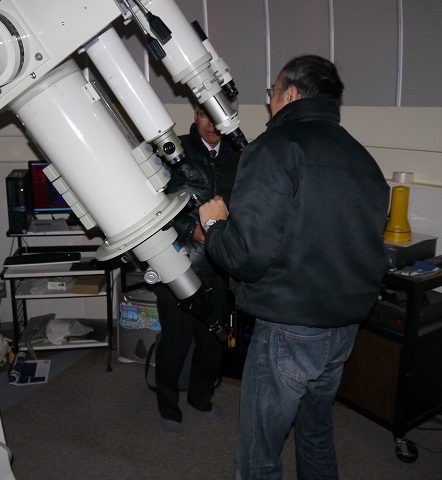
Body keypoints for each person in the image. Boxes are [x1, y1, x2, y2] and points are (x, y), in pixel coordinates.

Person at [199, 55, 390, 479]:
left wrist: (214, 225)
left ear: (289, 93)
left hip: (290, 329)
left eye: (272, 92)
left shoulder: (273, 149)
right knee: (316, 434)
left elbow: (246, 258)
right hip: (343, 328)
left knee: (260, 452)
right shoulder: (363, 159)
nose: (269, 101)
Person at [154, 104, 241, 436]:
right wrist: (194, 231)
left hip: (220, 265)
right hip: (179, 262)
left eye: (217, 117)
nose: (212, 124)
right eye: (205, 115)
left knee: (211, 342)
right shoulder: (175, 151)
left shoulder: (239, 155)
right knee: (175, 342)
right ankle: (168, 407)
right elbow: (157, 203)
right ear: (195, 114)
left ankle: (201, 398)